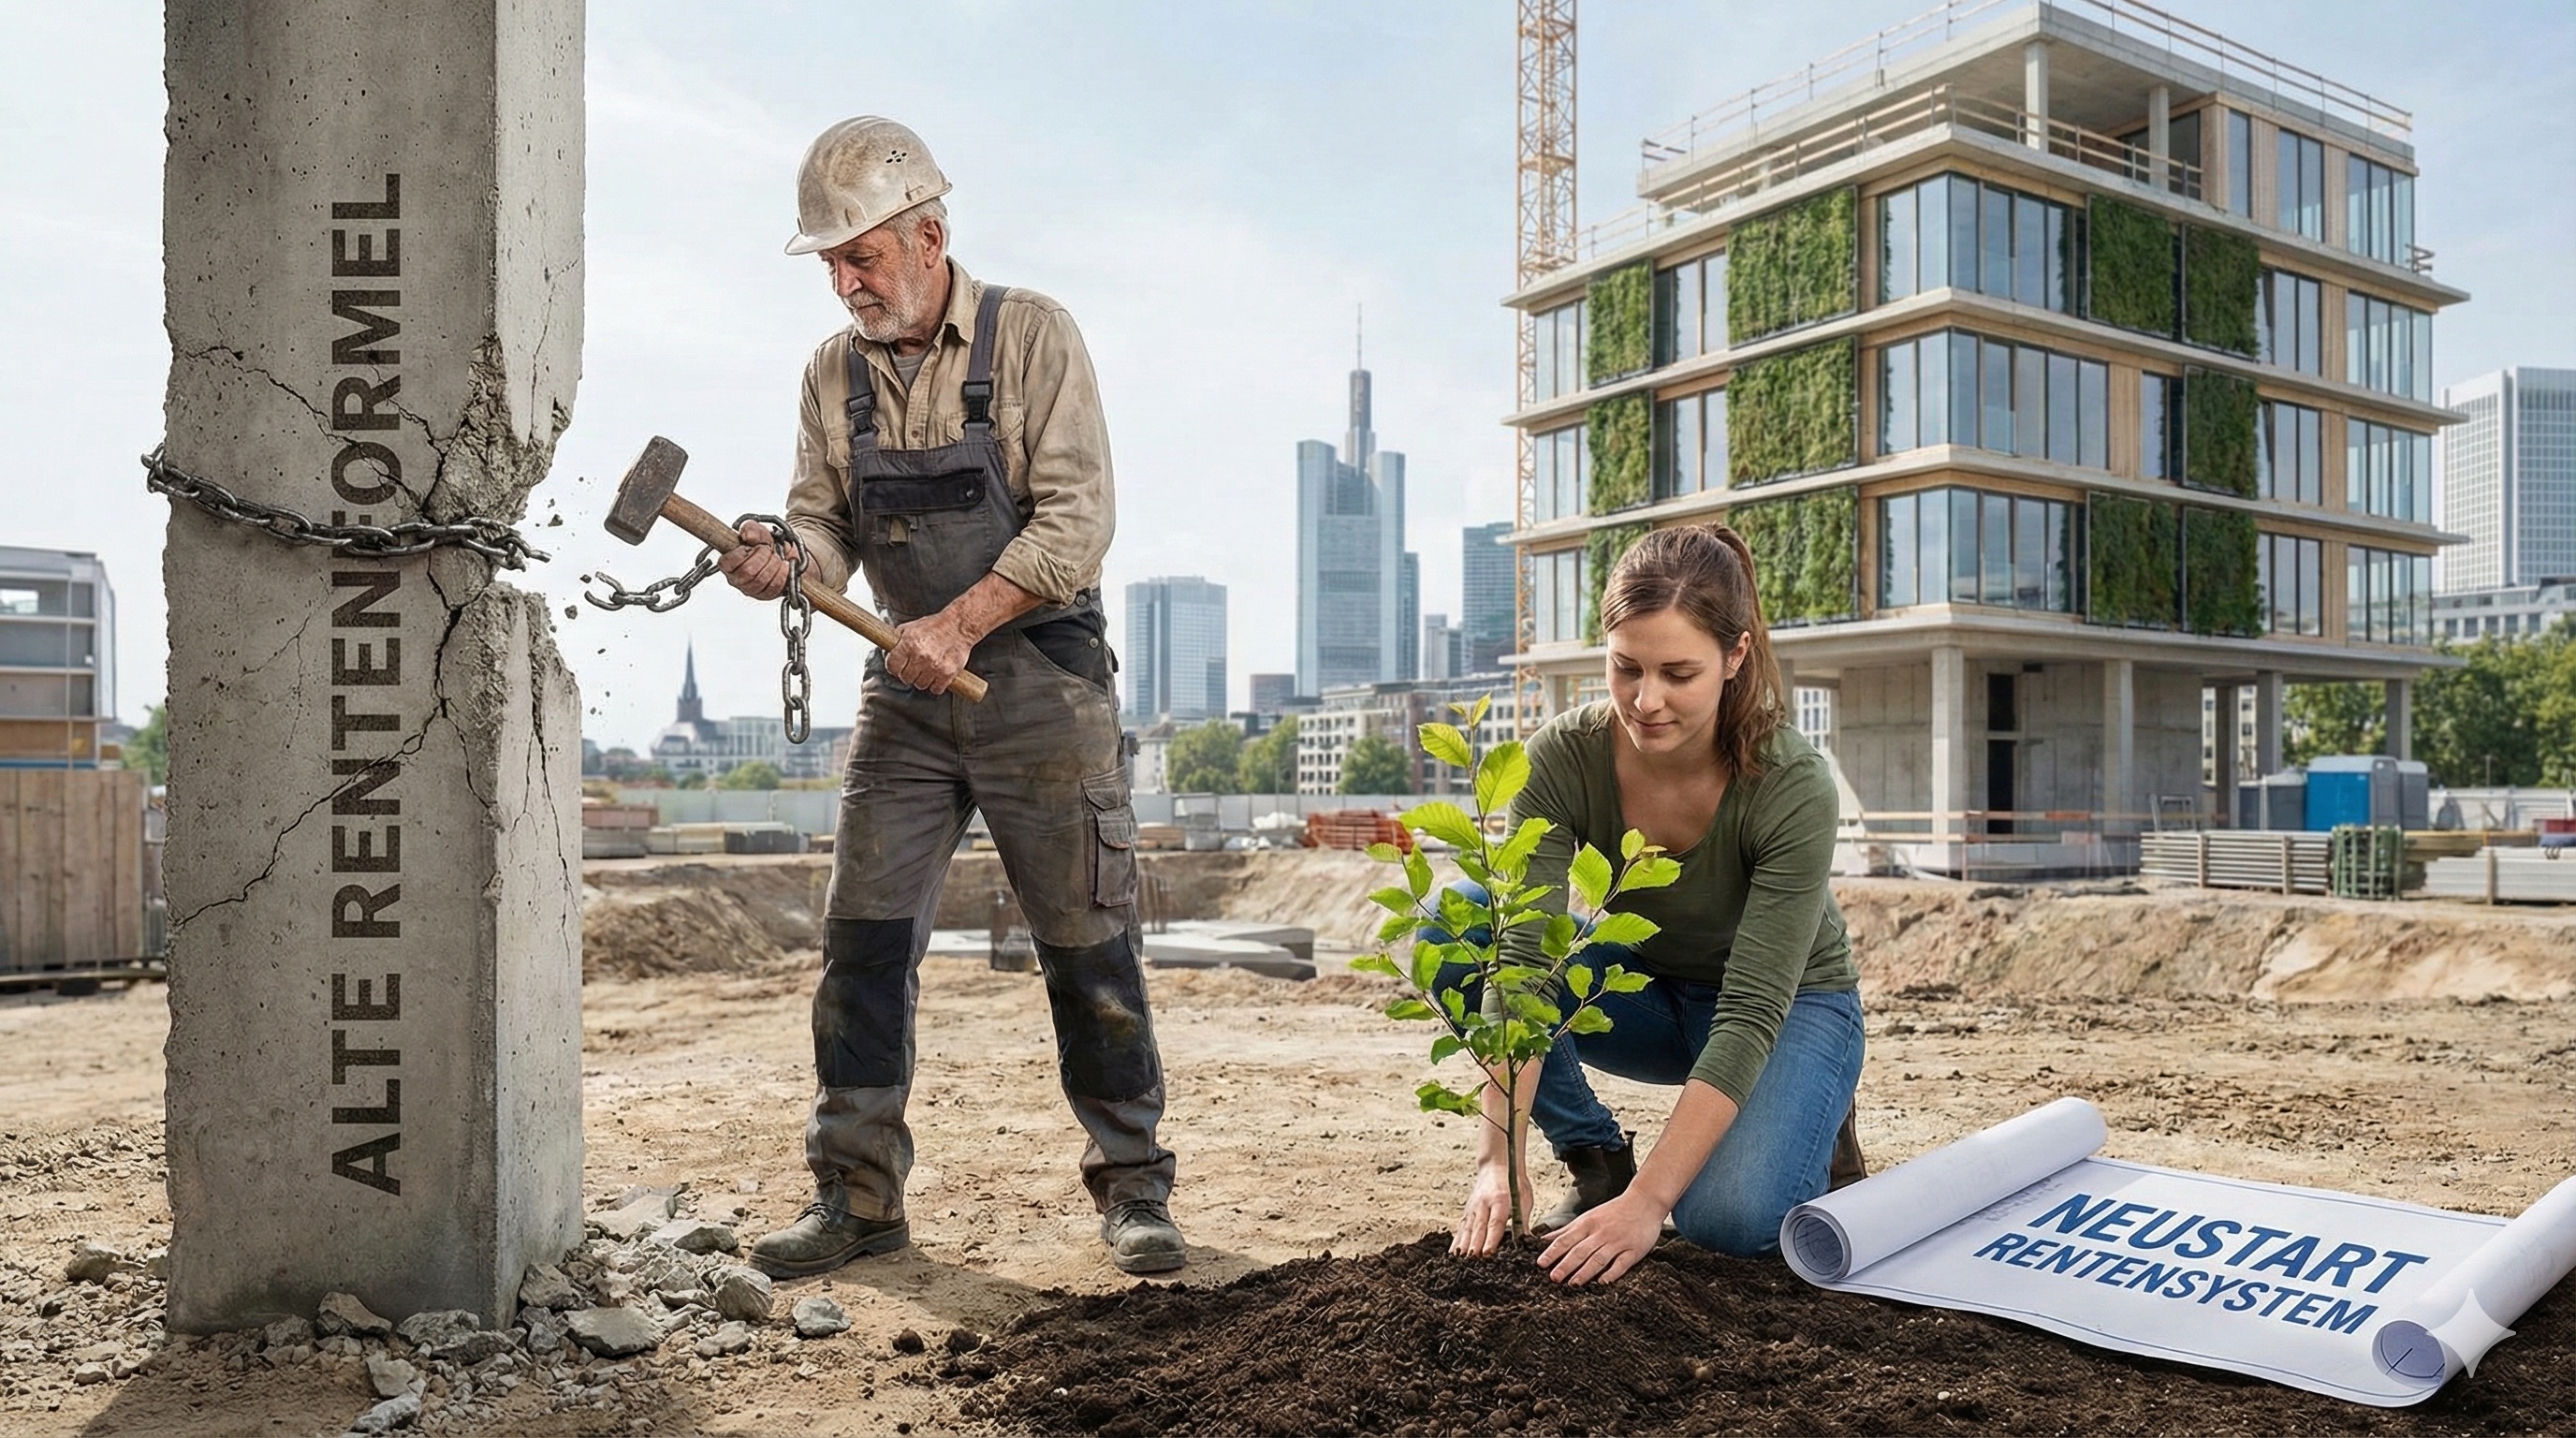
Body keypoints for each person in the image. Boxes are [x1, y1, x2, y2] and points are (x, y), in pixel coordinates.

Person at [717, 116, 1183, 1278]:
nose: (844, 282)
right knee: (862, 944)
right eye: (829, 262)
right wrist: (786, 556)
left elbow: (1079, 521)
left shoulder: (1032, 337)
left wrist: (961, 620)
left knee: (1087, 943)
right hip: (907, 702)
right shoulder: (833, 372)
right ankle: (858, 1198)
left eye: (860, 256)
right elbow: (820, 520)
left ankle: (1133, 1190)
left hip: (1040, 688)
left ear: (929, 236)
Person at [1447, 524, 1864, 1284]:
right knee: (1462, 926)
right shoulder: (1561, 759)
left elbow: (1751, 1009)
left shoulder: (1790, 783)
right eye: (1624, 668)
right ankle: (1595, 1155)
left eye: (1678, 673)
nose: (1646, 700)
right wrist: (1496, 1158)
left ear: (1735, 657)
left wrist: (1652, 1204)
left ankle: (1817, 1109)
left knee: (1725, 1219)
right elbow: (1528, 963)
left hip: (1789, 1009)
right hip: (1650, 991)